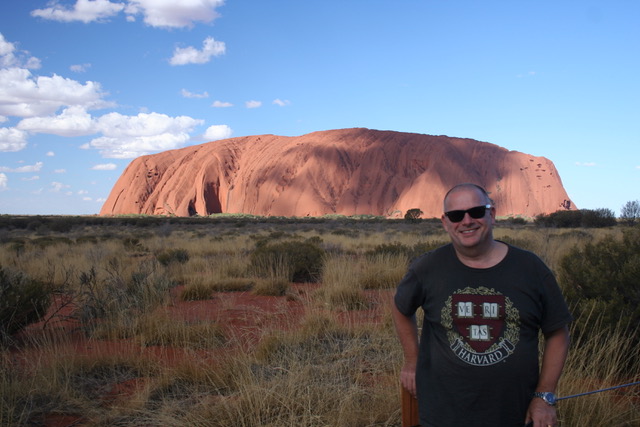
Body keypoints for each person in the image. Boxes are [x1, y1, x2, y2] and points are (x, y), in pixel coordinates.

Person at [393, 183, 571, 427]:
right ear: (445, 222)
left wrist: (544, 396)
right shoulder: (427, 268)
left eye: (476, 212)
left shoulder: (531, 269)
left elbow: (558, 332)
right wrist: (411, 361)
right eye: (456, 215)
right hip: (443, 416)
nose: (467, 221)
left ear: (492, 214)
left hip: (515, 414)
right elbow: (401, 307)